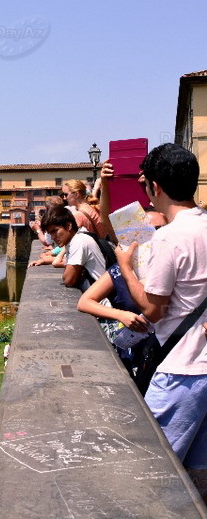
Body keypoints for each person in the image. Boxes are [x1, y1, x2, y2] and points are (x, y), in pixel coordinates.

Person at [115, 143, 207, 482]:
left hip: (182, 370)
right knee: (199, 472)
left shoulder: (169, 238)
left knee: (149, 470)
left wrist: (126, 268)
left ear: (156, 187)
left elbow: (153, 310)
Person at [37, 206, 107, 289]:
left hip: (102, 299)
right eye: (50, 233)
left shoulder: (78, 241)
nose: (52, 237)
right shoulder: (75, 239)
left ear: (68, 226)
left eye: (54, 231)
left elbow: (68, 280)